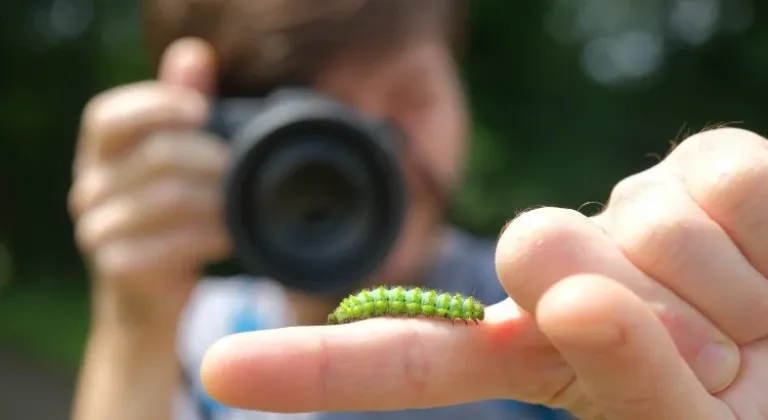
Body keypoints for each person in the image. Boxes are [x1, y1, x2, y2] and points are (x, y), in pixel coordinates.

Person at [67, 1, 768, 420]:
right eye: (323, 123)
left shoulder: (535, 322)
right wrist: (135, 324)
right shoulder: (195, 340)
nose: (381, 155)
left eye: (412, 97)